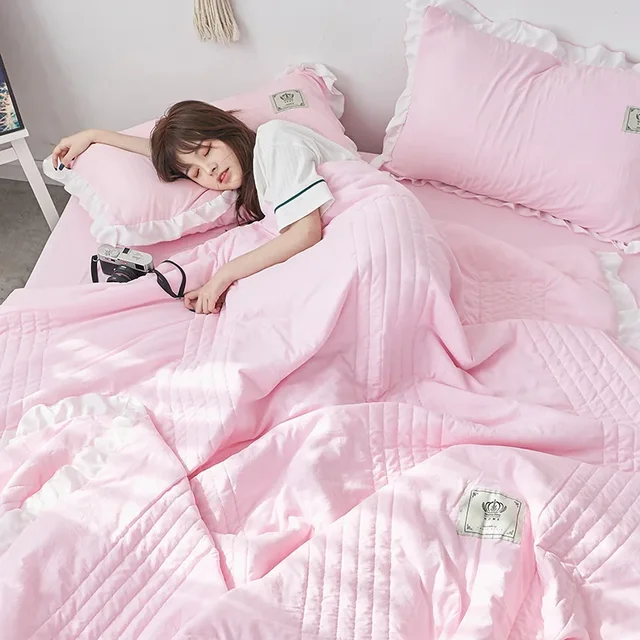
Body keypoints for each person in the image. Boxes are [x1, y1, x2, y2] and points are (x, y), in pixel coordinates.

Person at [52, 101, 358, 314]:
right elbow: (166, 156)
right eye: (195, 173)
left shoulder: (274, 139)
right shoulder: (254, 180)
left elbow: (305, 233)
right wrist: (95, 136)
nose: (208, 170)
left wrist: (223, 277)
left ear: (227, 132)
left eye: (207, 151)